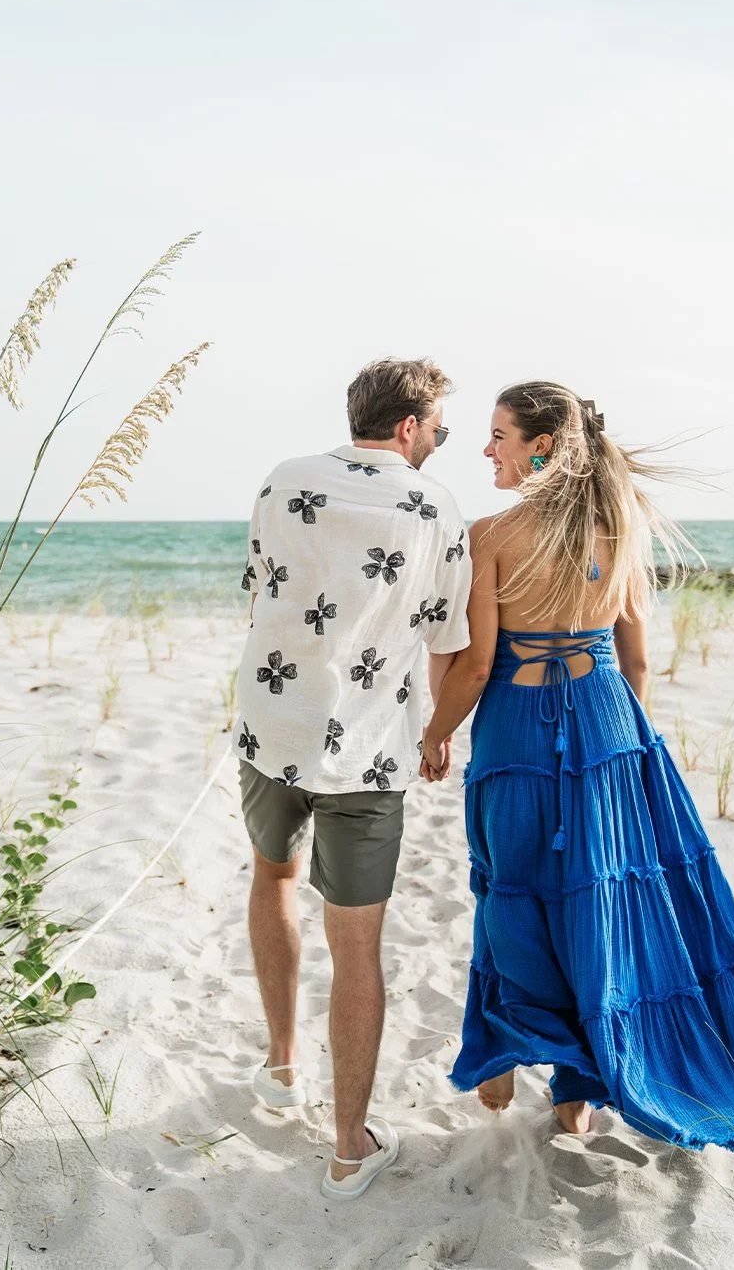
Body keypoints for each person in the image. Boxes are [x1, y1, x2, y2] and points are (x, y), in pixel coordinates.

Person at [420, 381, 734, 1147]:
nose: (488, 450)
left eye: (500, 435)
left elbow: (478, 668)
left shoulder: (492, 535)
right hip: (610, 724)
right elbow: (637, 659)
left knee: (512, 884)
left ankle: (514, 1041)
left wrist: (434, 735)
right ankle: (577, 1089)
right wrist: (623, 740)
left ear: (541, 445)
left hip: (516, 726)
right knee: (601, 896)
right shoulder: (622, 531)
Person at [234, 357, 473, 1201]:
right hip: (370, 751)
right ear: (408, 426)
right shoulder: (434, 503)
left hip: (274, 729)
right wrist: (439, 734)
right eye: (439, 425)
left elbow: (259, 589)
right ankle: (346, 1148)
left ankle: (281, 1065)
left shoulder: (283, 479)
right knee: (358, 943)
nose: (441, 439)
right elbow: (447, 636)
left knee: (273, 877)